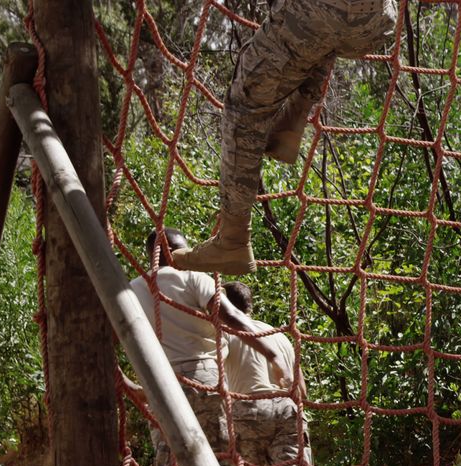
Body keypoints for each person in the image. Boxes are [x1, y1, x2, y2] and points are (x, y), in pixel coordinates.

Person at [171, 0, 398, 275]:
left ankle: (232, 240)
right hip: (376, 24)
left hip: (318, 11)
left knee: (244, 106)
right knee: (316, 40)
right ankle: (293, 119)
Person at [130, 227, 293, 466]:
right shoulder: (195, 278)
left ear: (151, 254)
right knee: (220, 461)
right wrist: (272, 353)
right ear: (180, 251)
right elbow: (231, 317)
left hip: (160, 380)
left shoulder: (133, 289)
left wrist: (128, 382)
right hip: (204, 380)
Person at [221, 281, 323, 466]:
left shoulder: (225, 333)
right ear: (250, 305)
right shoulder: (279, 336)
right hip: (287, 410)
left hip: (246, 411)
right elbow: (301, 389)